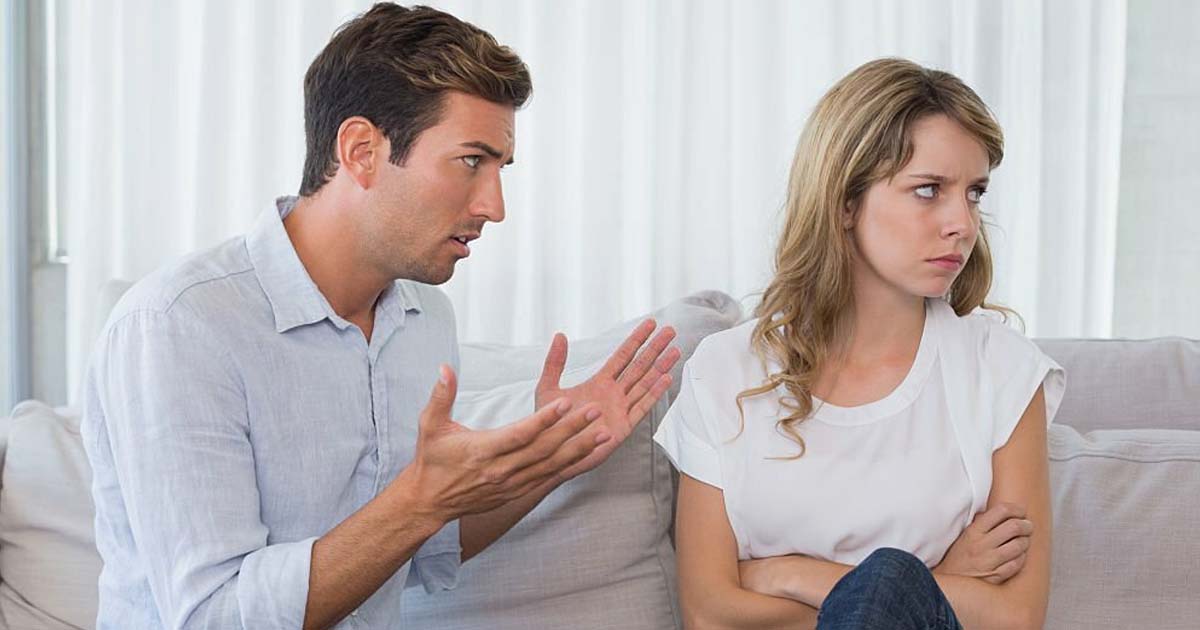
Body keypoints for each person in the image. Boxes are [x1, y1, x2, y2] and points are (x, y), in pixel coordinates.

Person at [80, 4, 680, 629]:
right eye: (472, 161)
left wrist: (552, 456)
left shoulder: (424, 317)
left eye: (501, 169)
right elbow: (213, 616)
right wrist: (420, 500)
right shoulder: (178, 326)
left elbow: (422, 549)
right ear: (361, 150)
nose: (495, 206)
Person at [654, 58, 1065, 629]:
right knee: (891, 581)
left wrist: (791, 572)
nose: (962, 224)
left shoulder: (1003, 373)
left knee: (891, 578)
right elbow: (710, 616)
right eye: (928, 191)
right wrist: (940, 578)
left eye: (974, 194)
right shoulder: (725, 373)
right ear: (845, 202)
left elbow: (1014, 618)